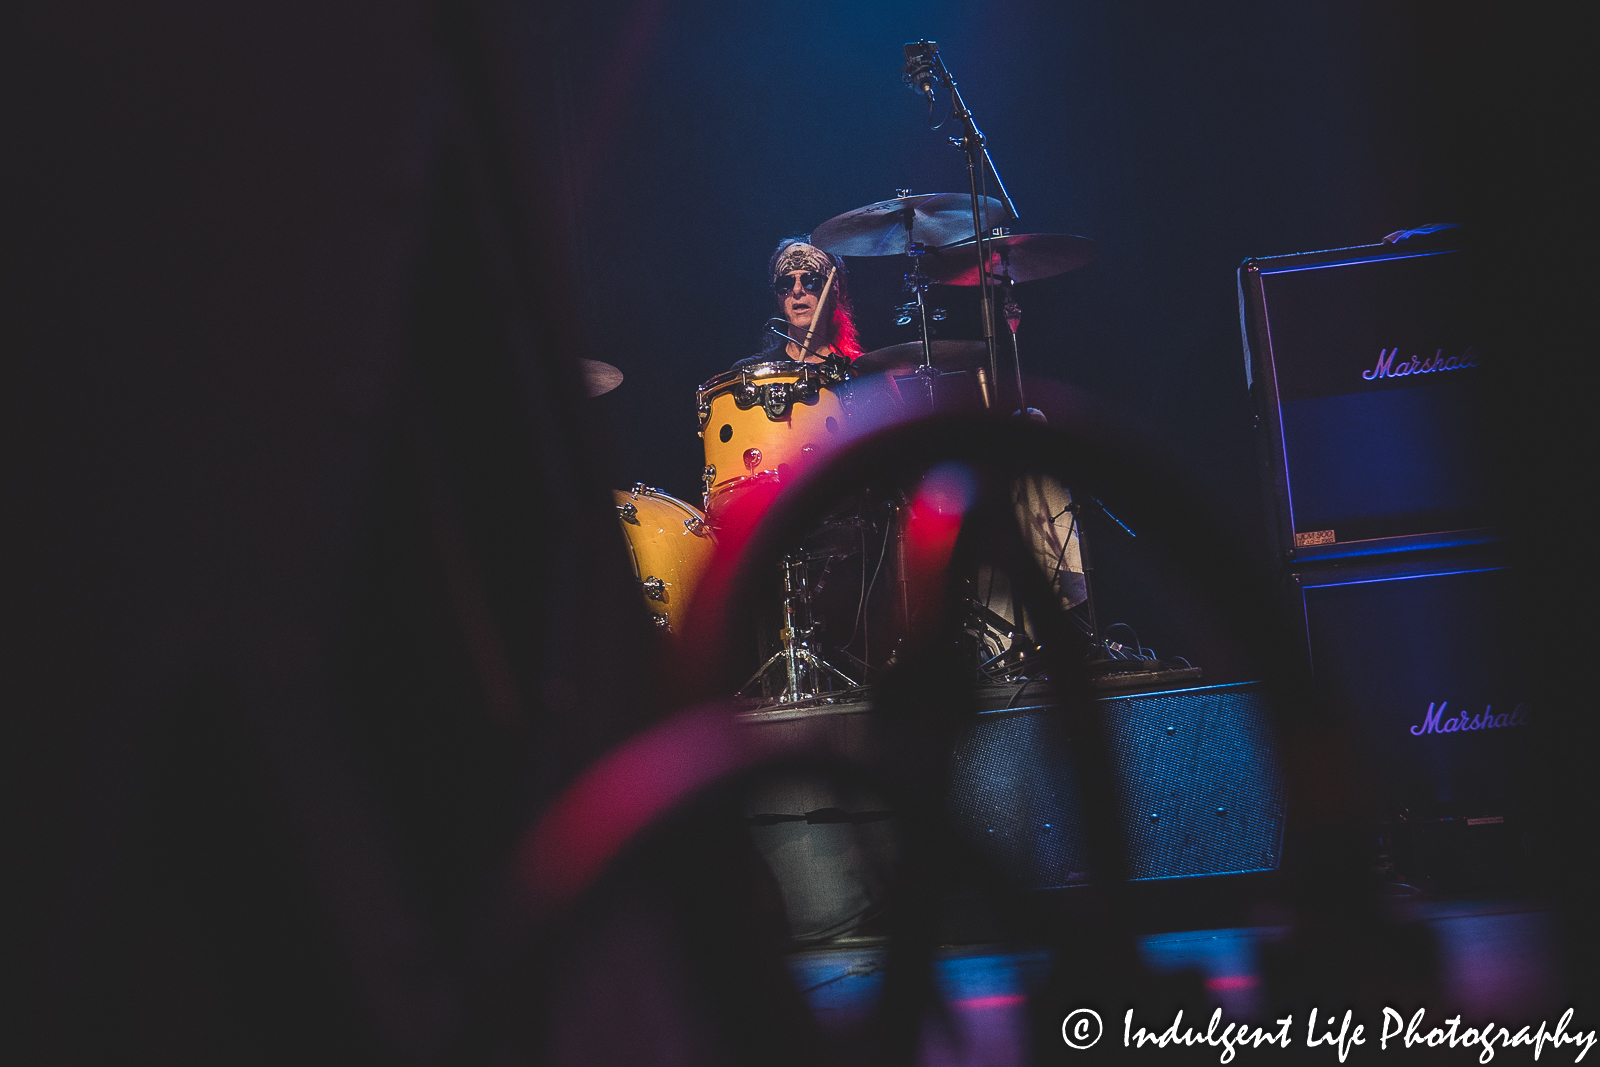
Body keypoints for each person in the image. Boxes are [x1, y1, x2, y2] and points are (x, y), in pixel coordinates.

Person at [738, 238, 863, 369]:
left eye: (810, 281)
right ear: (779, 300)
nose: (797, 290)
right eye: (786, 284)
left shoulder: (857, 373)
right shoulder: (751, 372)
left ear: (833, 292)